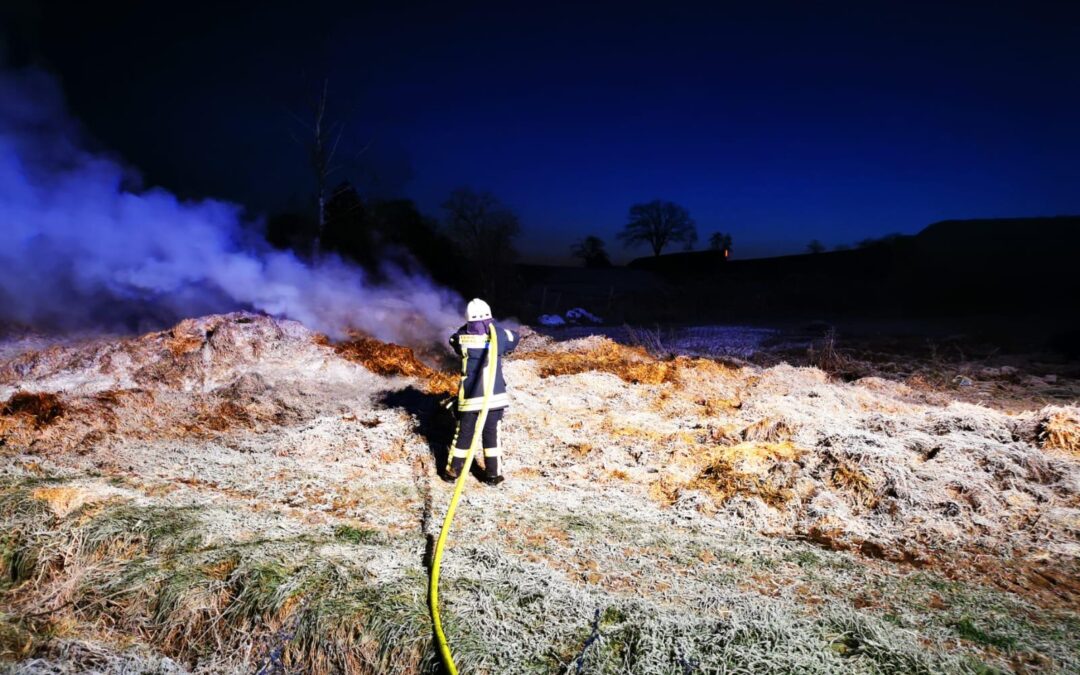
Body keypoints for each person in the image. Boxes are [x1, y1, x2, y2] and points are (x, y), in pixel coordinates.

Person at [444, 298, 519, 485]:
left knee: (463, 434)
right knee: (492, 435)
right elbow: (515, 338)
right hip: (494, 397)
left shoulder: (461, 338)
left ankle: (453, 472)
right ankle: (493, 475)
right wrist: (494, 328)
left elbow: (453, 339)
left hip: (470, 397)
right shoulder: (500, 336)